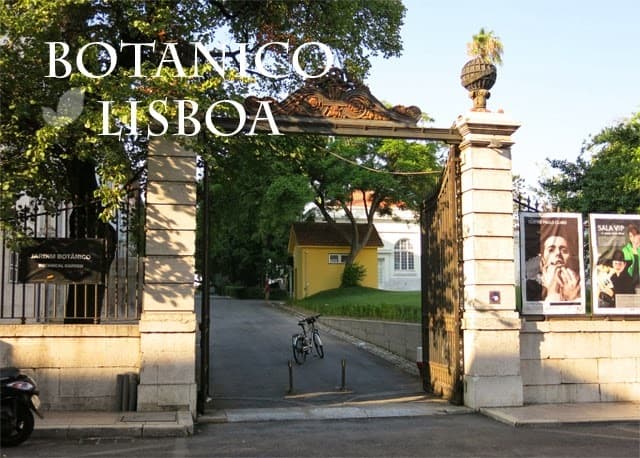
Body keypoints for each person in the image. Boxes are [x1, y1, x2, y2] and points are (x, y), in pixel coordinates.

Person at [526, 223, 581, 302]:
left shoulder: (577, 284)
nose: (558, 253)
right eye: (551, 250)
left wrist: (573, 297)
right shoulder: (531, 286)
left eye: (564, 251)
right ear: (542, 259)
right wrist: (552, 290)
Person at [622, 223, 640, 289]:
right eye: (630, 236)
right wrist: (634, 248)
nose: (632, 238)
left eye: (634, 235)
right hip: (630, 280)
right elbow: (628, 268)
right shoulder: (625, 250)